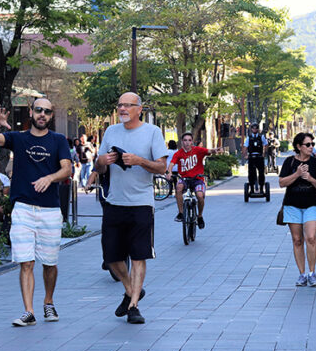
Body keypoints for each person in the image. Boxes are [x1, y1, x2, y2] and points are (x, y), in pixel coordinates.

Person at [0, 99, 72, 327]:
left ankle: (48, 302)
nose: (42, 114)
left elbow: (67, 168)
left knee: (50, 263)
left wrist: (50, 178)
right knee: (26, 262)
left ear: (52, 115)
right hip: (22, 208)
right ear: (31, 112)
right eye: (38, 110)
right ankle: (29, 311)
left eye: (47, 111)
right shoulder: (19, 138)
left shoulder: (59, 140)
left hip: (50, 210)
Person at [95, 92, 169, 325]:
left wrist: (139, 161)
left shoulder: (152, 132)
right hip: (115, 202)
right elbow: (99, 165)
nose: (123, 109)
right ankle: (130, 290)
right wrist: (102, 162)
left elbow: (161, 167)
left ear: (140, 109)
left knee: (138, 255)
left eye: (128, 105)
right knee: (111, 256)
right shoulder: (110, 131)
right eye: (120, 105)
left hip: (141, 204)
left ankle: (134, 306)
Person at [279, 133, 316, 287]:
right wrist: (297, 174)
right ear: (299, 147)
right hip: (292, 204)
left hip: (311, 203)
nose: (311, 147)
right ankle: (302, 274)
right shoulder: (289, 162)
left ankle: (312, 273)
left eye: (312, 144)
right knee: (297, 240)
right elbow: (281, 183)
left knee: (311, 237)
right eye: (308, 144)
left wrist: (310, 178)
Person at [166, 132, 223, 229]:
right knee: (178, 187)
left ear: (192, 142)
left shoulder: (198, 150)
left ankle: (200, 216)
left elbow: (209, 151)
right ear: (181, 142)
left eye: (189, 140)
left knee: (200, 196)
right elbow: (171, 164)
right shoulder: (178, 153)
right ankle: (181, 213)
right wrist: (169, 172)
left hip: (197, 179)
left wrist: (216, 150)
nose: (187, 143)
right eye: (185, 140)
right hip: (184, 179)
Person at [243, 123, 267, 193]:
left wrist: (264, 154)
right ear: (251, 129)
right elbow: (245, 147)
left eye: (256, 128)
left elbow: (266, 145)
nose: (254, 129)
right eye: (253, 128)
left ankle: (262, 188)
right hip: (251, 157)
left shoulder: (261, 137)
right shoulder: (249, 137)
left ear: (258, 129)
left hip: (259, 156)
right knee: (251, 173)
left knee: (261, 172)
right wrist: (245, 155)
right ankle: (252, 188)